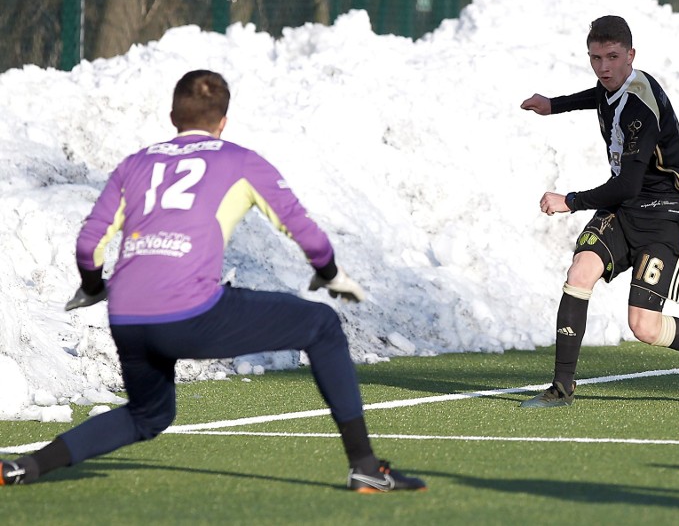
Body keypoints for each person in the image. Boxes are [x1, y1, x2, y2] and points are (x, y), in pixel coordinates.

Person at [0, 70, 426, 493]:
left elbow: (89, 242)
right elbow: (302, 228)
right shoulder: (240, 160)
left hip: (127, 315)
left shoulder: (135, 163)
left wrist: (93, 286)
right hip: (189, 313)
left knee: (149, 415)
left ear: (172, 116)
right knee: (323, 325)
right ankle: (365, 467)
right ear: (223, 121)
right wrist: (330, 273)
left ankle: (25, 467)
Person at [518, 15, 679, 409]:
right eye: (595, 58)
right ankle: (561, 388)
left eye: (612, 57)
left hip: (661, 217)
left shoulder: (639, 109)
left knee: (643, 326)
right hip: (623, 211)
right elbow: (598, 94)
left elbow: (627, 185)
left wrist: (571, 200)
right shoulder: (616, 83)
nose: (603, 67)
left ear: (631, 54)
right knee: (580, 271)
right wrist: (553, 105)